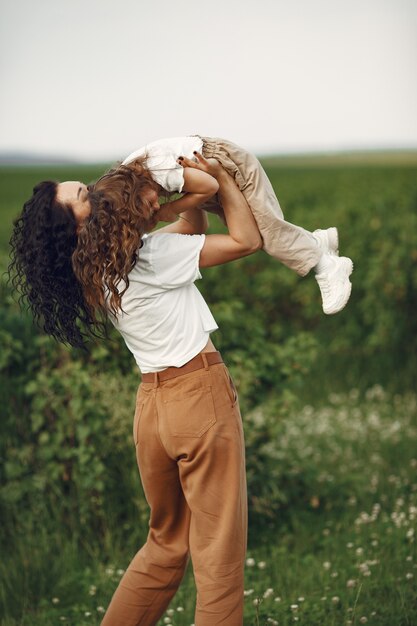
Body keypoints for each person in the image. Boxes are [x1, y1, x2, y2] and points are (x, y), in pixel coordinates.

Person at [8, 152, 262, 625]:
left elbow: (189, 233)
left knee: (165, 544)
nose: (96, 191)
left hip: (152, 413)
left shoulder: (94, 275)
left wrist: (175, 203)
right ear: (79, 228)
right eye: (85, 195)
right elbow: (247, 241)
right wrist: (221, 178)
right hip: (199, 395)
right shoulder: (146, 256)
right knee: (217, 557)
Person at [120, 135, 354, 315]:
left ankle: (327, 266)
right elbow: (194, 219)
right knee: (258, 225)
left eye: (150, 203)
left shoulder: (160, 173)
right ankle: (317, 242)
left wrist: (172, 208)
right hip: (210, 164)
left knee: (267, 231)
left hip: (223, 162)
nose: (156, 207)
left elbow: (209, 186)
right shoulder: (131, 180)